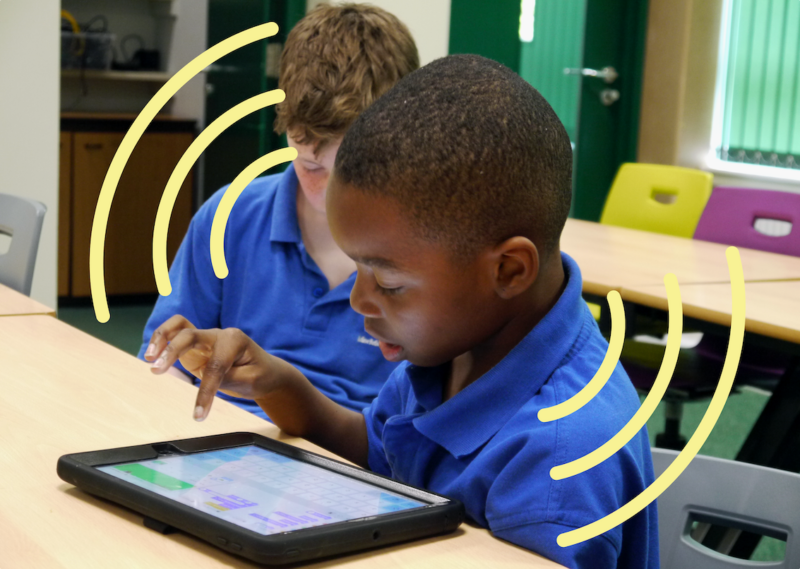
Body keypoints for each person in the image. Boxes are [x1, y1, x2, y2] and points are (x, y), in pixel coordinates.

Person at [145, 55, 659, 568]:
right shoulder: (461, 346)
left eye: (387, 283)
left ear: (508, 271)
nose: (358, 301)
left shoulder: (557, 462)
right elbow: (374, 450)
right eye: (358, 269)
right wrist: (279, 384)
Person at [139, 4, 420, 419]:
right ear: (287, 133)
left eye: (357, 171)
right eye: (310, 165)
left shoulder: (429, 246)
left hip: (357, 456)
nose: (331, 193)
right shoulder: (230, 216)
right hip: (220, 439)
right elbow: (160, 364)